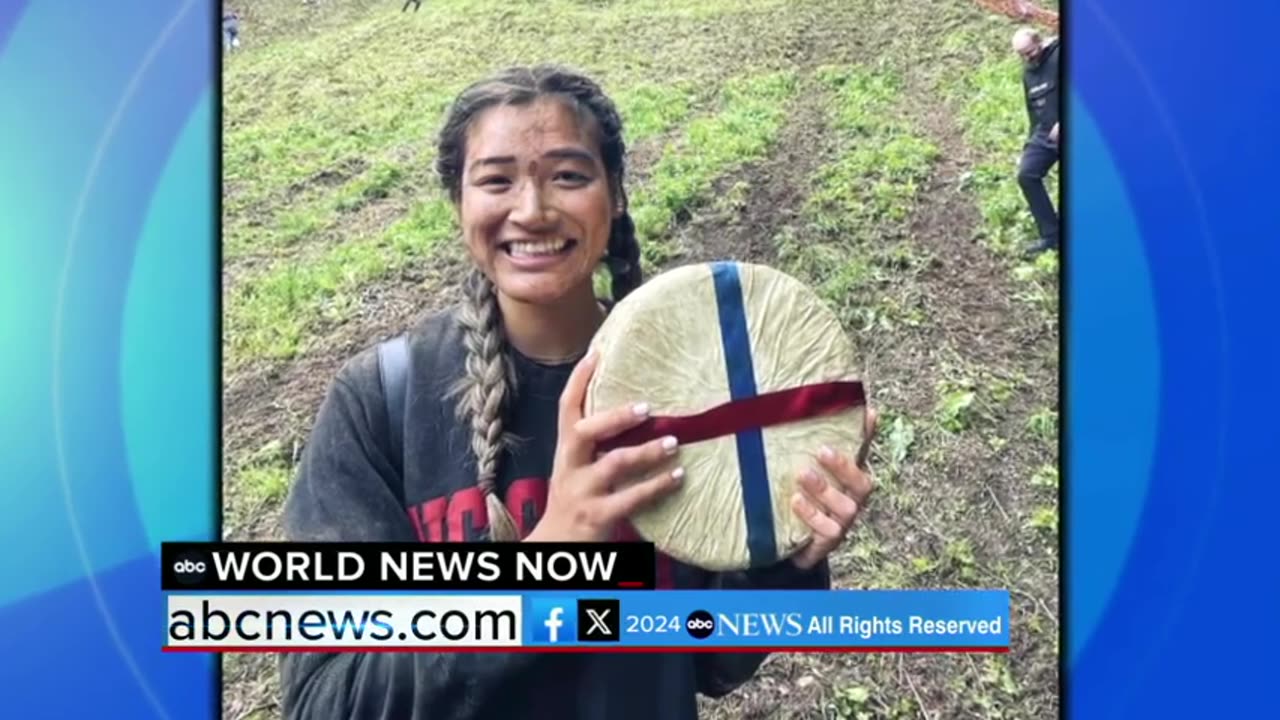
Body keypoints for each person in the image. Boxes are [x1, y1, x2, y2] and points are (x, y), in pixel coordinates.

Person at [278, 64, 878, 720]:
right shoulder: (379, 403)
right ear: (459, 204)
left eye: (568, 175)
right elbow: (327, 700)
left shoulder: (694, 394)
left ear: (615, 194)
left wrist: (783, 557)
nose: (532, 210)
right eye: (496, 180)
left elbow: (711, 659)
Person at [1013, 27, 1060, 257]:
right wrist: (1028, 147)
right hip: (1044, 133)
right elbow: (1033, 113)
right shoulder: (1028, 74)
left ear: (1039, 42)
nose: (1027, 58)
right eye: (1021, 54)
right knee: (1026, 174)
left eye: (1029, 52)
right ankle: (1051, 236)